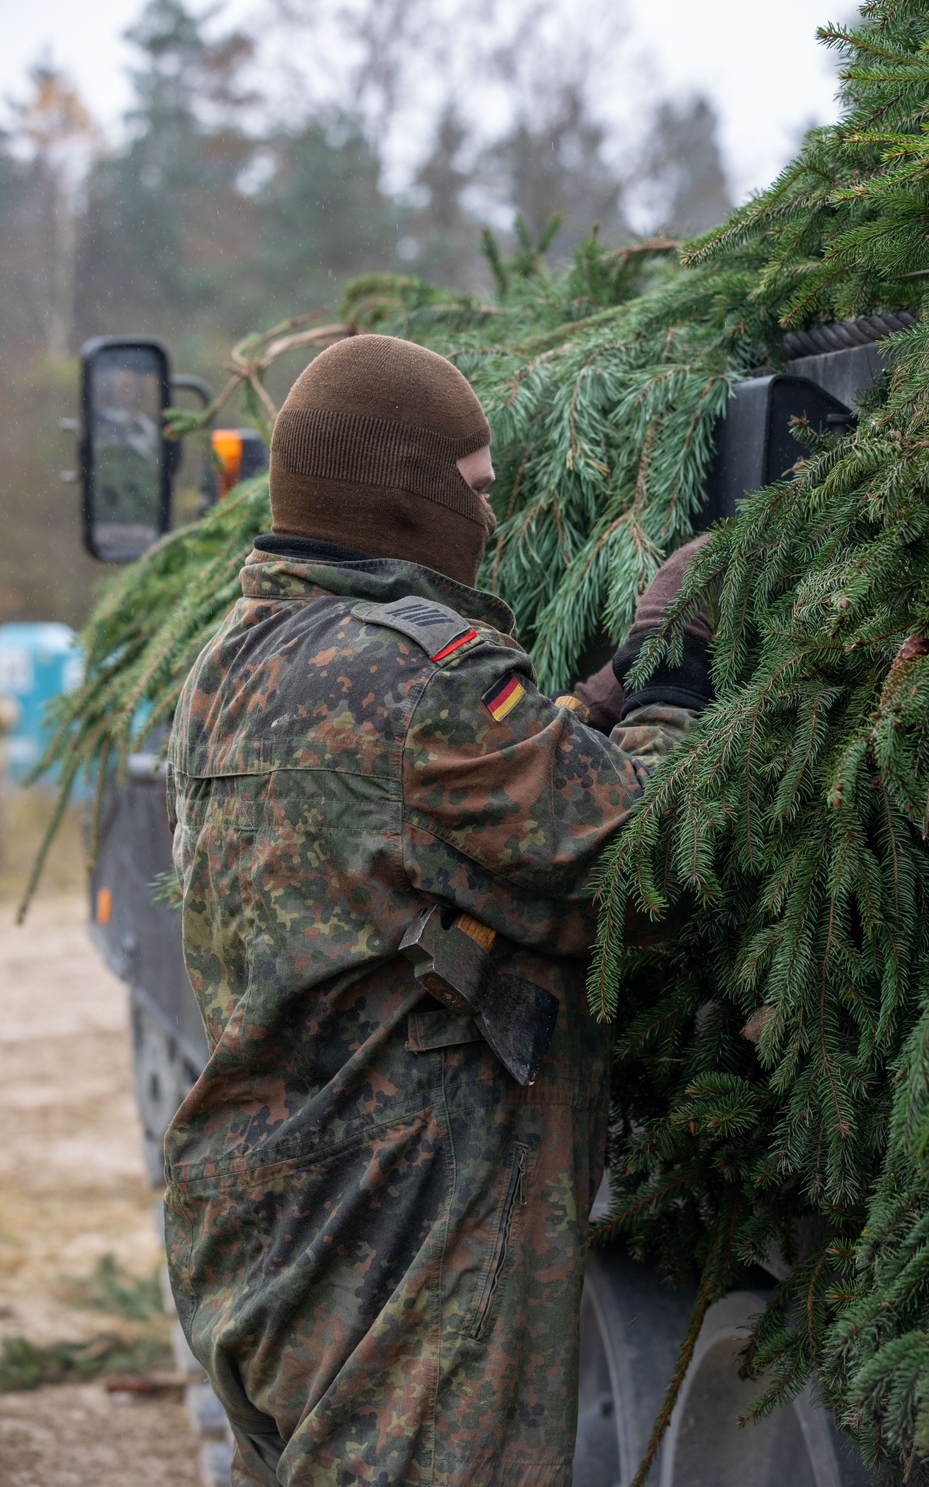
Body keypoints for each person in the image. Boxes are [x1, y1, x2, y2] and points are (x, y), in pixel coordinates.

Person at [163, 334, 713, 1487]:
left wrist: (581, 708)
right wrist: (673, 676)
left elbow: (419, 823)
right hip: (404, 1245)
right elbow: (641, 863)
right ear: (406, 496)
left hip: (271, 1228)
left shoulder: (240, 658)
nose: (491, 513)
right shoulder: (421, 676)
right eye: (474, 487)